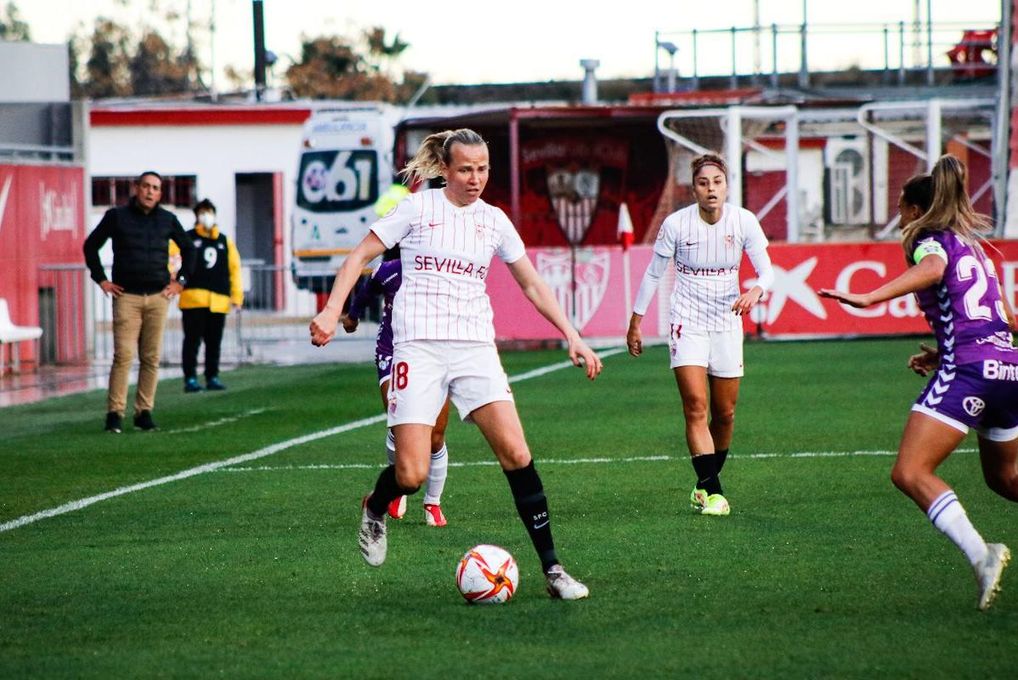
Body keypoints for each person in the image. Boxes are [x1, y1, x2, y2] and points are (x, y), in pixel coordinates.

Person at [310, 128, 603, 600]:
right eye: (465, 169)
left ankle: (553, 570)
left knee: (517, 454)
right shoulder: (415, 208)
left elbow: (531, 284)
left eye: (483, 169)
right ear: (445, 169)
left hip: (474, 350)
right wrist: (330, 309)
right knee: (410, 474)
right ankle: (375, 506)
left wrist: (573, 336)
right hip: (418, 350)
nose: (475, 178)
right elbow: (360, 256)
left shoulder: (495, 221)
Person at [819, 155, 1018, 611]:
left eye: (901, 206)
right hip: (1008, 368)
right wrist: (940, 352)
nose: (899, 215)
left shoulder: (928, 238)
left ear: (914, 209)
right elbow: (1002, 318)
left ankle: (981, 555)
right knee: (1005, 479)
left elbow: (932, 269)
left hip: (972, 371)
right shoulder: (979, 250)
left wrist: (868, 296)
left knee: (909, 472)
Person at [626, 153, 774, 516]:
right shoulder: (676, 225)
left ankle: (702, 485)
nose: (711, 189)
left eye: (717, 182)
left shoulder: (744, 221)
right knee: (696, 406)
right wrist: (636, 321)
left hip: (727, 321)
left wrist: (756, 290)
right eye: (703, 183)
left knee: (725, 414)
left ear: (726, 186)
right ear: (693, 189)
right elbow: (653, 273)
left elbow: (767, 271)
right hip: (687, 321)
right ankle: (713, 491)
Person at [341, 245, 451, 527]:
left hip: (436, 355)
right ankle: (399, 484)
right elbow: (367, 289)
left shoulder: (443, 273)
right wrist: (352, 315)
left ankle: (432, 503)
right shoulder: (389, 272)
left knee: (436, 435)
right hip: (393, 352)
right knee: (398, 425)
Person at [83, 171, 196, 433]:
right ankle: (115, 413)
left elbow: (189, 248)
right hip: (127, 296)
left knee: (151, 357)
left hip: (158, 297)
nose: (149, 192)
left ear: (160, 193)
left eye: (155, 188)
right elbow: (91, 246)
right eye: (145, 186)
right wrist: (101, 279)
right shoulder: (117, 217)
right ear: (136, 188)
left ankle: (144, 411)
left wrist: (181, 282)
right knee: (123, 355)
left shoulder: (168, 219)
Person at [171, 199, 244, 392]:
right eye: (202, 212)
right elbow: (172, 259)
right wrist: (174, 280)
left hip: (218, 300)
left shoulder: (224, 241)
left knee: (214, 342)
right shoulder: (187, 238)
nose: (206, 216)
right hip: (193, 299)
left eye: (209, 212)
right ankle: (190, 378)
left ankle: (212, 375)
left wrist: (237, 296)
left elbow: (234, 269)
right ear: (196, 216)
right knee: (192, 341)